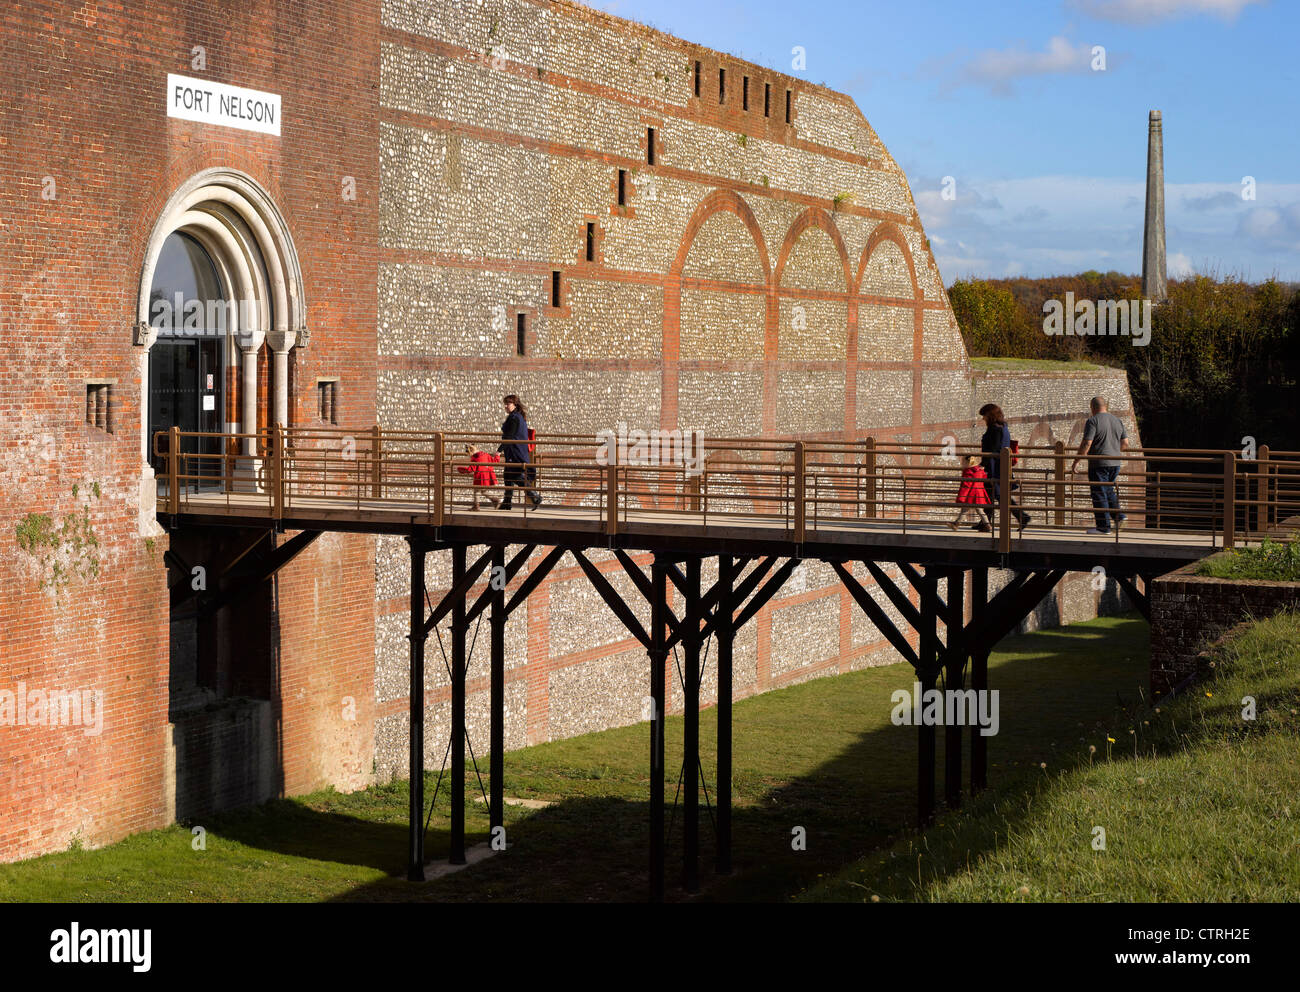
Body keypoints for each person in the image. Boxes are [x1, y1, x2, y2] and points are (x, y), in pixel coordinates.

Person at [1071, 395, 1128, 534]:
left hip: (1099, 463)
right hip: (1115, 463)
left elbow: (1087, 443)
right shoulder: (1117, 420)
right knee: (1108, 490)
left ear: (1092, 407)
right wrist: (1113, 448)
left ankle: (1103, 527)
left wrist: (1076, 461)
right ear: (1106, 406)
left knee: (1099, 494)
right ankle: (1119, 516)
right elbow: (1125, 444)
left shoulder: (1093, 421)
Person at [976, 403, 1031, 534]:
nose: (983, 419)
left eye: (984, 416)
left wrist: (983, 464)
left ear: (990, 416)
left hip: (995, 469)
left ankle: (1022, 517)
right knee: (990, 494)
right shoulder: (1003, 427)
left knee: (1000, 496)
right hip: (1000, 467)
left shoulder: (995, 429)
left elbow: (993, 450)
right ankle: (985, 522)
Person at [497, 394, 541, 510]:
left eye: (508, 404)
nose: (506, 406)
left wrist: (498, 451)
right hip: (515, 450)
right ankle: (507, 503)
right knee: (507, 475)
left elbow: (510, 436)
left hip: (514, 451)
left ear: (515, 404)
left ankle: (534, 495)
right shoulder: (517, 416)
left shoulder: (514, 418)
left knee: (515, 475)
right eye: (505, 404)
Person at [949, 455, 990, 530]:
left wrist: (962, 496)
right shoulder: (980, 470)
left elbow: (966, 485)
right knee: (980, 510)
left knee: (964, 510)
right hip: (979, 493)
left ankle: (956, 524)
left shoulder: (968, 471)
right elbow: (984, 477)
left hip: (971, 493)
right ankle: (987, 525)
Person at [456, 442, 500, 510]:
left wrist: (460, 469)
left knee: (476, 491)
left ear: (471, 452)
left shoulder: (475, 458)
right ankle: (495, 500)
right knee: (483, 491)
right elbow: (494, 461)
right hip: (487, 476)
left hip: (479, 477)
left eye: (469, 454)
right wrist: (497, 455)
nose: (469, 456)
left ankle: (476, 506)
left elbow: (471, 469)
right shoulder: (486, 454)